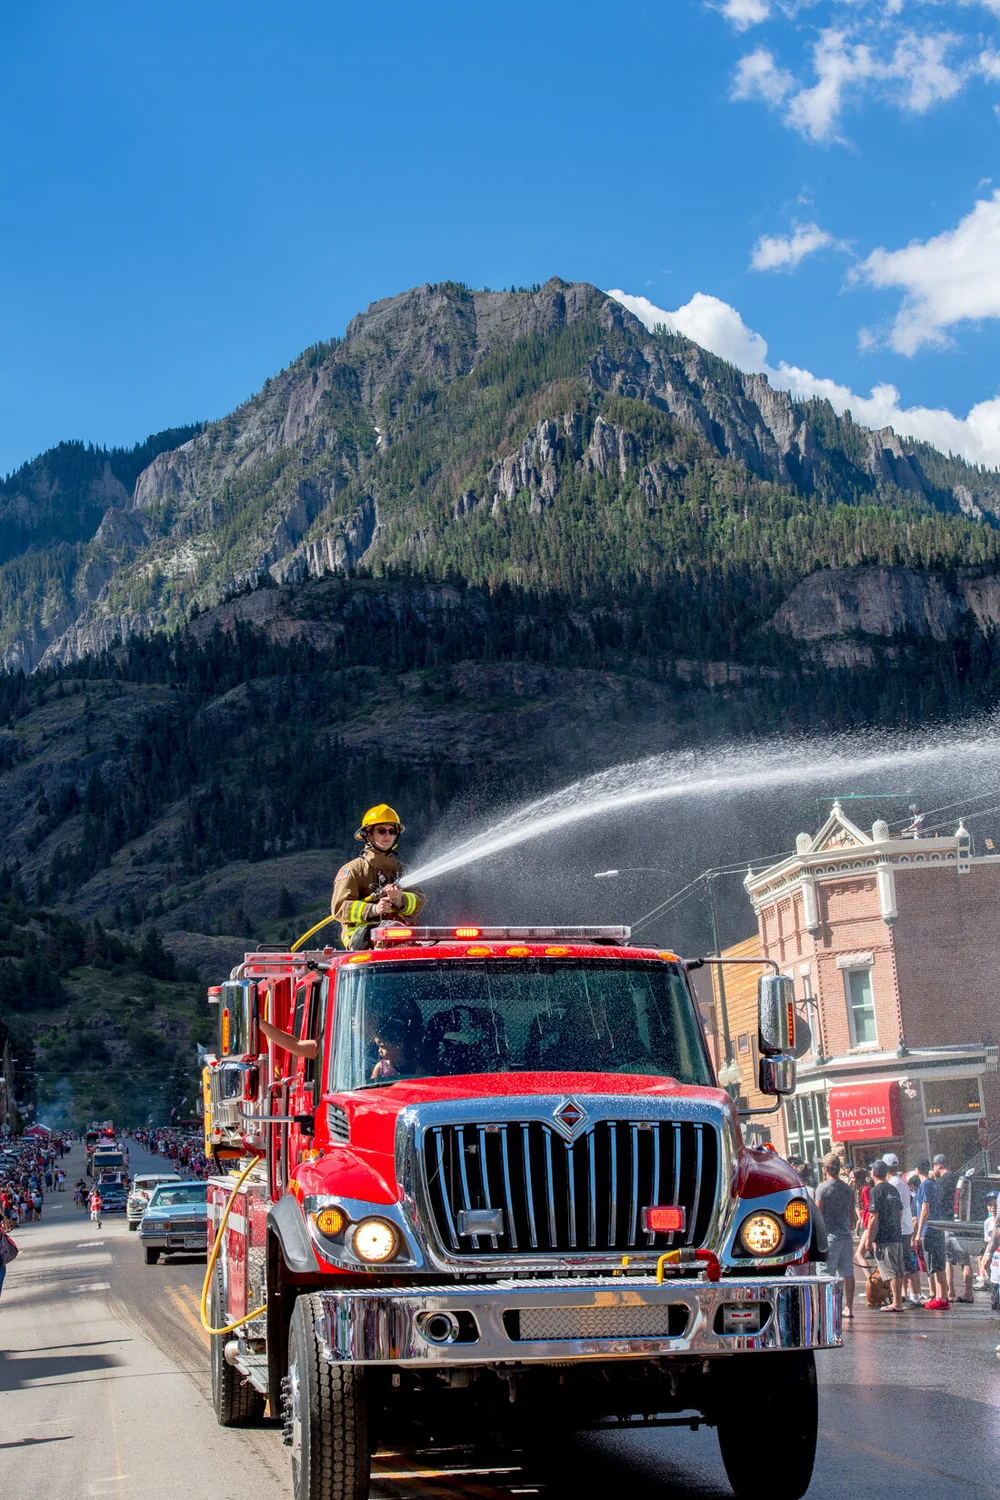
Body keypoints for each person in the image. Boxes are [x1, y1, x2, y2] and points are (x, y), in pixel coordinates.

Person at [330, 805, 426, 950]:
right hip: (363, 939)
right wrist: (373, 909)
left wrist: (400, 900)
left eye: (392, 831)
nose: (387, 835)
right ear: (368, 834)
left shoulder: (402, 870)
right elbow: (339, 908)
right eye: (381, 830)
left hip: (398, 936)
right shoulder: (353, 870)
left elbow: (419, 902)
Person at [859, 1159, 907, 1311]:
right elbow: (900, 1212)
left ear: (873, 1173)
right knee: (898, 1269)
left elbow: (874, 1216)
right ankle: (897, 1300)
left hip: (885, 1237)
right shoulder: (893, 1189)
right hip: (896, 1234)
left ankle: (897, 1303)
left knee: (891, 1270)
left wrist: (870, 1239)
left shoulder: (876, 1191)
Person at [816, 1153, 857, 1319]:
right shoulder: (847, 1188)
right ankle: (849, 1307)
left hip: (829, 1237)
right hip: (845, 1235)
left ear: (825, 1169)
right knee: (848, 1272)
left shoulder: (822, 1188)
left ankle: (828, 1308)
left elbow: (819, 1213)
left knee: (826, 1274)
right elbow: (852, 1214)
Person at [884, 1152, 923, 1307]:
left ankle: (914, 1296)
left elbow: (896, 1208)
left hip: (901, 1227)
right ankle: (910, 1295)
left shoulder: (893, 1183)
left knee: (904, 1264)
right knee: (905, 1262)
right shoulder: (901, 1181)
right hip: (906, 1226)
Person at [914, 1157, 949, 1309]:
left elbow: (925, 1209)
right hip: (938, 1228)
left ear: (917, 1171)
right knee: (938, 1263)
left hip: (930, 1229)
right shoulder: (933, 1184)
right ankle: (942, 1297)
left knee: (935, 1265)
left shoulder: (924, 1185)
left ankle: (942, 1298)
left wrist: (918, 1233)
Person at [933, 1154, 959, 1220]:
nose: (933, 1168)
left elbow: (938, 1200)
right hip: (957, 1214)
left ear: (939, 1166)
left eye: (934, 1165)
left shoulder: (940, 1181)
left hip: (946, 1217)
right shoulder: (956, 1177)